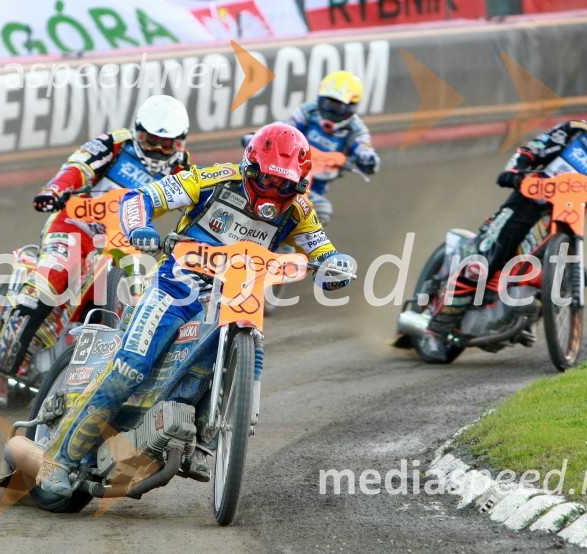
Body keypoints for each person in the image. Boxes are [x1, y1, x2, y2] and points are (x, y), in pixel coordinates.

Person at [35, 123, 356, 496]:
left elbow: (323, 252)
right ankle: (60, 458)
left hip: (233, 299)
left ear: (298, 182)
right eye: (265, 180)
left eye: (283, 185)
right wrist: (140, 228)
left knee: (200, 371)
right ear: (249, 167)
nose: (272, 192)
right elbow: (141, 198)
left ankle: (199, 438)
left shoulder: (300, 209)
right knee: (130, 367)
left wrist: (337, 266)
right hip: (176, 286)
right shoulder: (213, 179)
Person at [0, 95, 192, 408]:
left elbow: (196, 205)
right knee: (48, 282)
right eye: (151, 141)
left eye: (167, 144)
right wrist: (55, 190)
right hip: (75, 225)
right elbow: (77, 168)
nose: (158, 151)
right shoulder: (114, 145)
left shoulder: (183, 168)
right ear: (138, 133)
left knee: (139, 301)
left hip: (126, 241)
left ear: (180, 142)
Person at [424, 96, 587, 359]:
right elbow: (534, 148)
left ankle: (523, 315)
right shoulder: (577, 132)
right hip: (529, 201)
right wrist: (516, 170)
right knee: (483, 261)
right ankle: (436, 329)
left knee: (556, 274)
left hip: (566, 217)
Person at [243, 70, 380, 224]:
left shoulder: (356, 129)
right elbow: (285, 125)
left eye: (337, 107)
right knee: (243, 179)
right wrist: (259, 136)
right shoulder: (308, 112)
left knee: (322, 210)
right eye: (327, 103)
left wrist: (367, 157)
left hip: (310, 190)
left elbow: (364, 146)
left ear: (351, 108)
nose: (330, 110)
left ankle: (296, 242)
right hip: (278, 174)